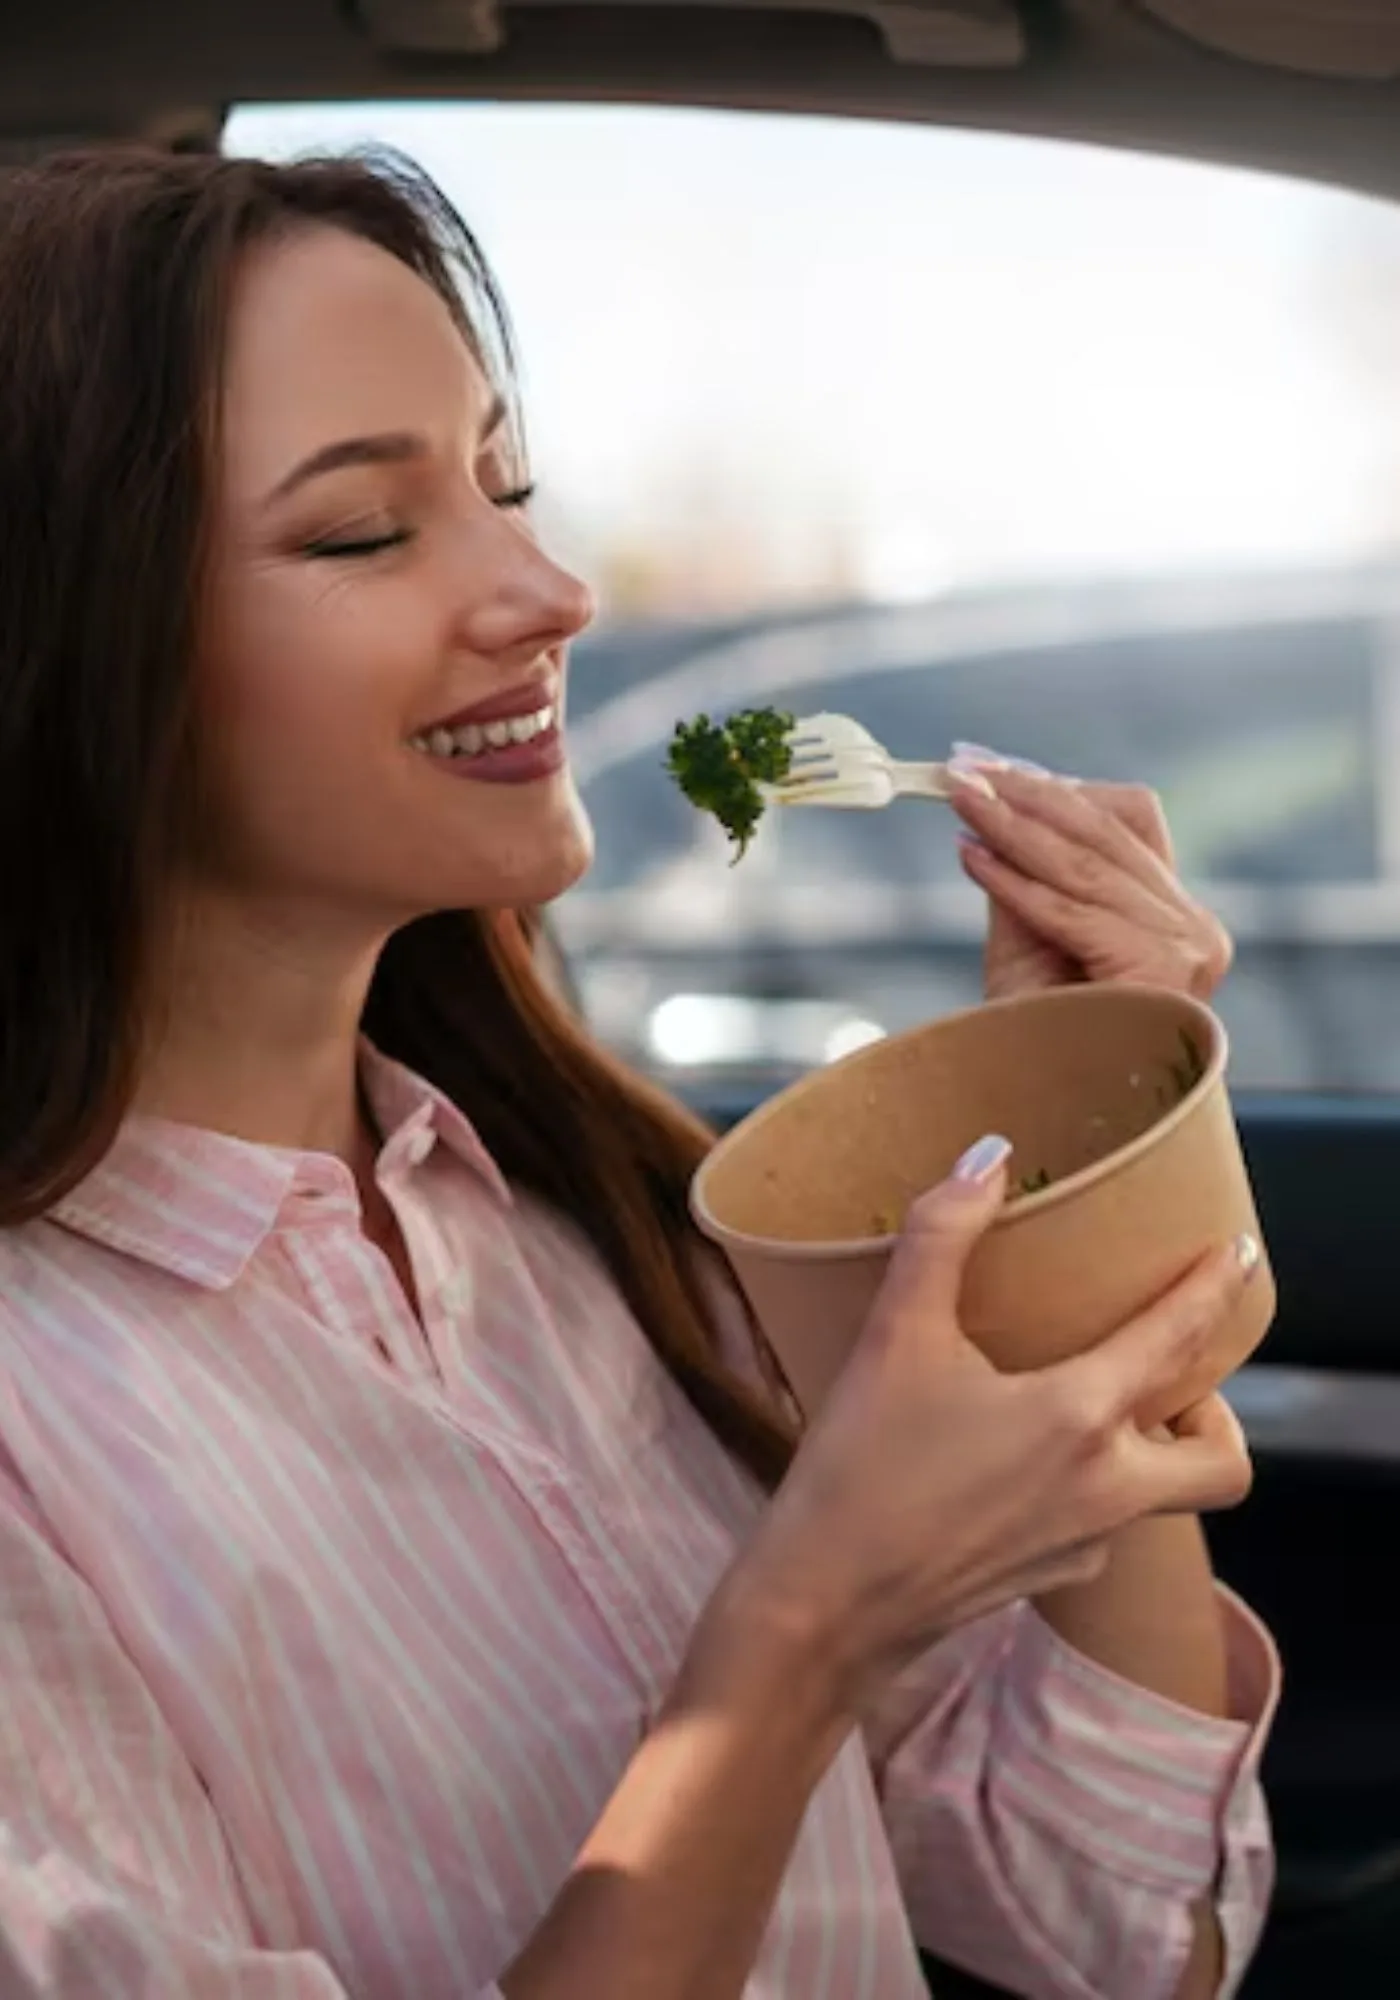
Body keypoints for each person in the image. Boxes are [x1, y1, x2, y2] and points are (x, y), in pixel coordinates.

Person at [0, 146, 1277, 2000]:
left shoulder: (614, 1233)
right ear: (61, 652)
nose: (551, 587)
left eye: (509, 486)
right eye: (365, 531)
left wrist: (1095, 1138)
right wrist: (795, 1636)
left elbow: (1120, 1927)